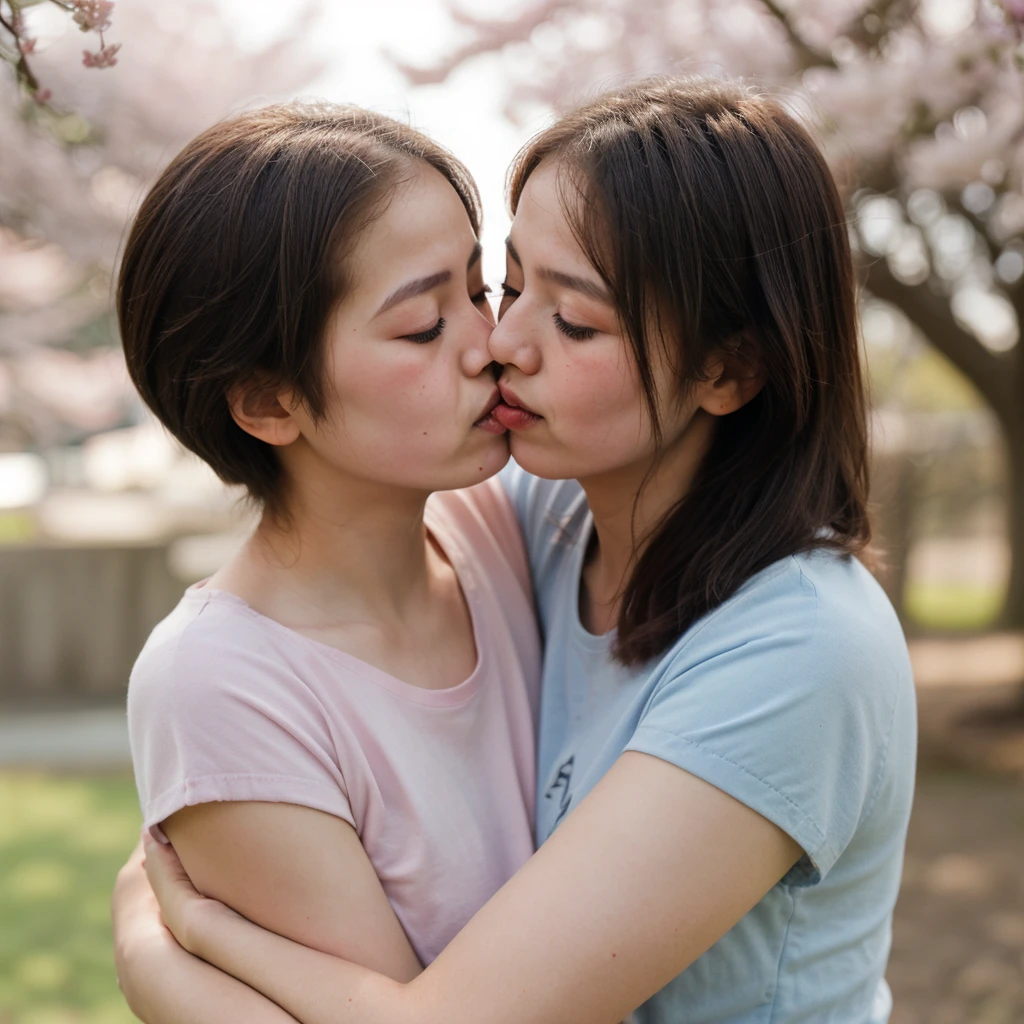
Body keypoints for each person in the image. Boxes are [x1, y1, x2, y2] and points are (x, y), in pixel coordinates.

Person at [115, 76, 917, 1024]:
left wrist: (163, 944)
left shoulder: (794, 645)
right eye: (508, 286)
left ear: (728, 368)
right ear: (266, 401)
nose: (500, 342)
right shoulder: (539, 523)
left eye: (572, 319)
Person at [115, 101, 544, 1019]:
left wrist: (184, 938)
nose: (492, 344)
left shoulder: (508, 526)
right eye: (425, 326)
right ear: (270, 402)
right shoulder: (224, 683)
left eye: (479, 290)